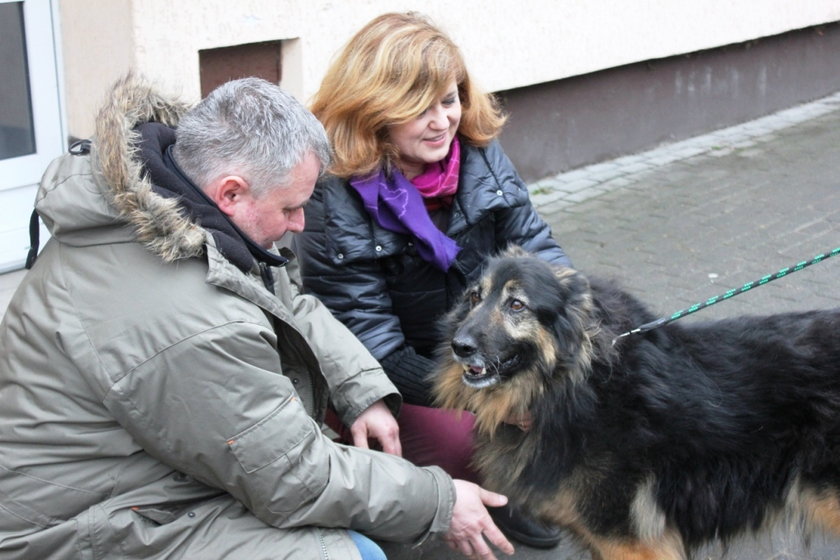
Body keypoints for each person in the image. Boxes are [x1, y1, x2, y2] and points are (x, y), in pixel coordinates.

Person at [0, 75, 515, 560]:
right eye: (291, 207)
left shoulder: (177, 207)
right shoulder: (192, 320)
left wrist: (362, 391)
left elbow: (289, 301)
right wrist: (440, 500)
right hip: (78, 525)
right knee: (353, 553)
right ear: (231, 193)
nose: (301, 223)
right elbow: (292, 479)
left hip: (137, 472)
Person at [292, 12, 572, 549]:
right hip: (393, 371)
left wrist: (574, 319)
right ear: (374, 109)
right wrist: (488, 396)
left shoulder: (479, 153)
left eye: (449, 99)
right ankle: (456, 494)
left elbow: (536, 251)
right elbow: (371, 341)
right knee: (460, 438)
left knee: (562, 389)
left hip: (478, 345)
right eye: (418, 107)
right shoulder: (334, 195)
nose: (443, 120)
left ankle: (516, 490)